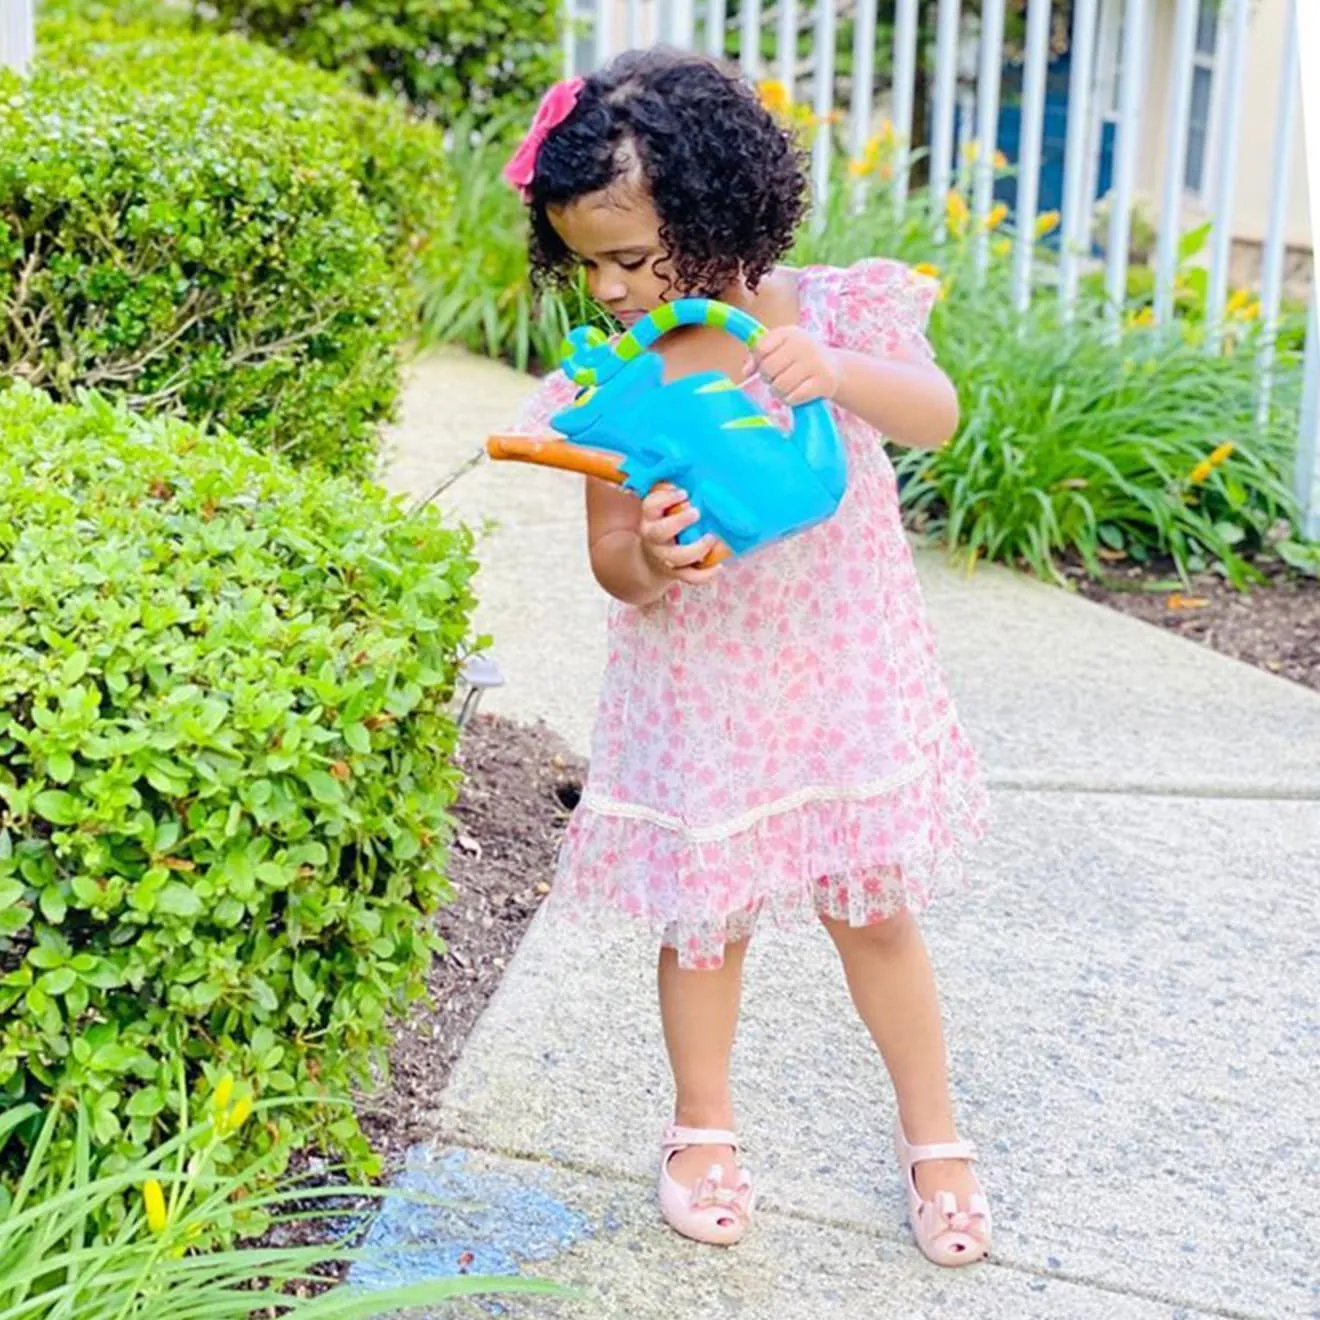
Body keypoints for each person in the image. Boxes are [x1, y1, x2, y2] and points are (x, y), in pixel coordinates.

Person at [502, 46, 992, 1267]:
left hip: (841, 674)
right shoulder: (612, 382)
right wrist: (654, 560)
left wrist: (839, 370)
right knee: (705, 922)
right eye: (588, 264)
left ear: (718, 212)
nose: (609, 287)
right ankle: (701, 1128)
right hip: (702, 693)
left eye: (630, 257)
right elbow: (611, 557)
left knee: (874, 913)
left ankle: (935, 1138)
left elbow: (935, 413)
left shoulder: (820, 317)